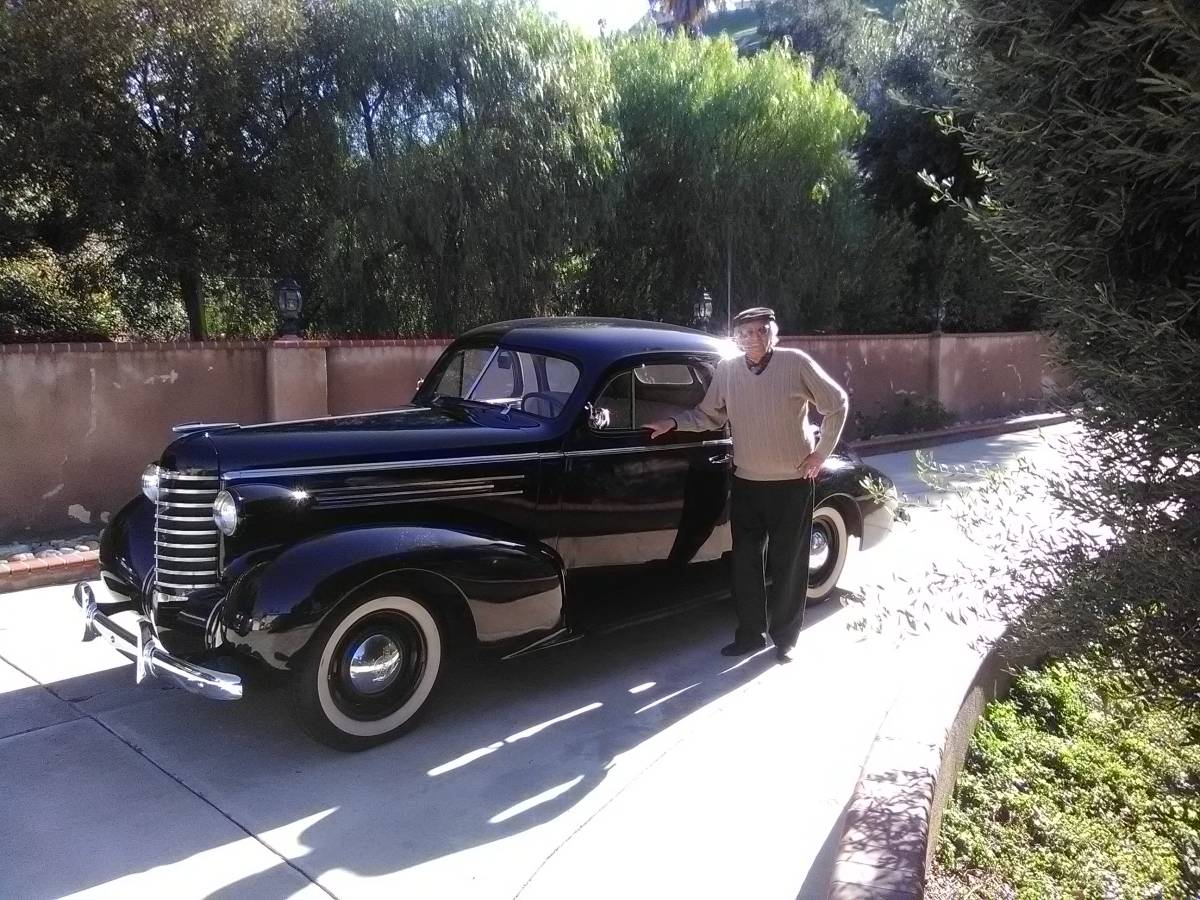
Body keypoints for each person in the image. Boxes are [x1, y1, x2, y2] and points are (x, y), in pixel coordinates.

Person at [644, 307, 849, 663]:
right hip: (747, 482)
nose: (754, 337)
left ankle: (785, 639)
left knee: (788, 564)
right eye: (747, 332)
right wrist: (673, 423)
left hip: (792, 483)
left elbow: (837, 404)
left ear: (773, 333)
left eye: (761, 330)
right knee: (745, 564)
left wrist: (820, 454)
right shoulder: (728, 370)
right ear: (737, 337)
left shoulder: (795, 363)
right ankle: (750, 635)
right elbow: (708, 415)